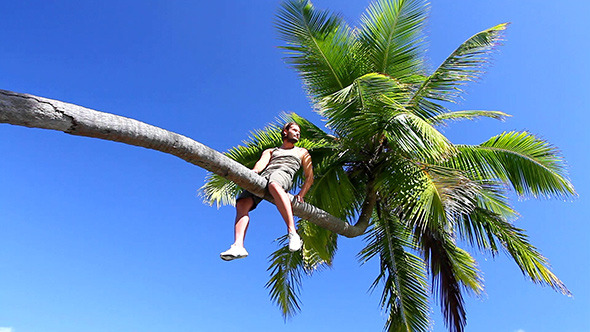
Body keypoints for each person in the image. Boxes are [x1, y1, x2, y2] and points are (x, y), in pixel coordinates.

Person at [220, 122, 314, 261]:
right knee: (242, 203)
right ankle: (238, 245)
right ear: (285, 132)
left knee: (274, 184)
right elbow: (260, 165)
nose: (297, 133)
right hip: (265, 177)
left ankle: (292, 233)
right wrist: (252, 174)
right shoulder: (271, 151)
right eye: (294, 130)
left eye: (299, 131)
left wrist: (301, 194)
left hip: (283, 175)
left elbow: (309, 177)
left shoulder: (301, 152)